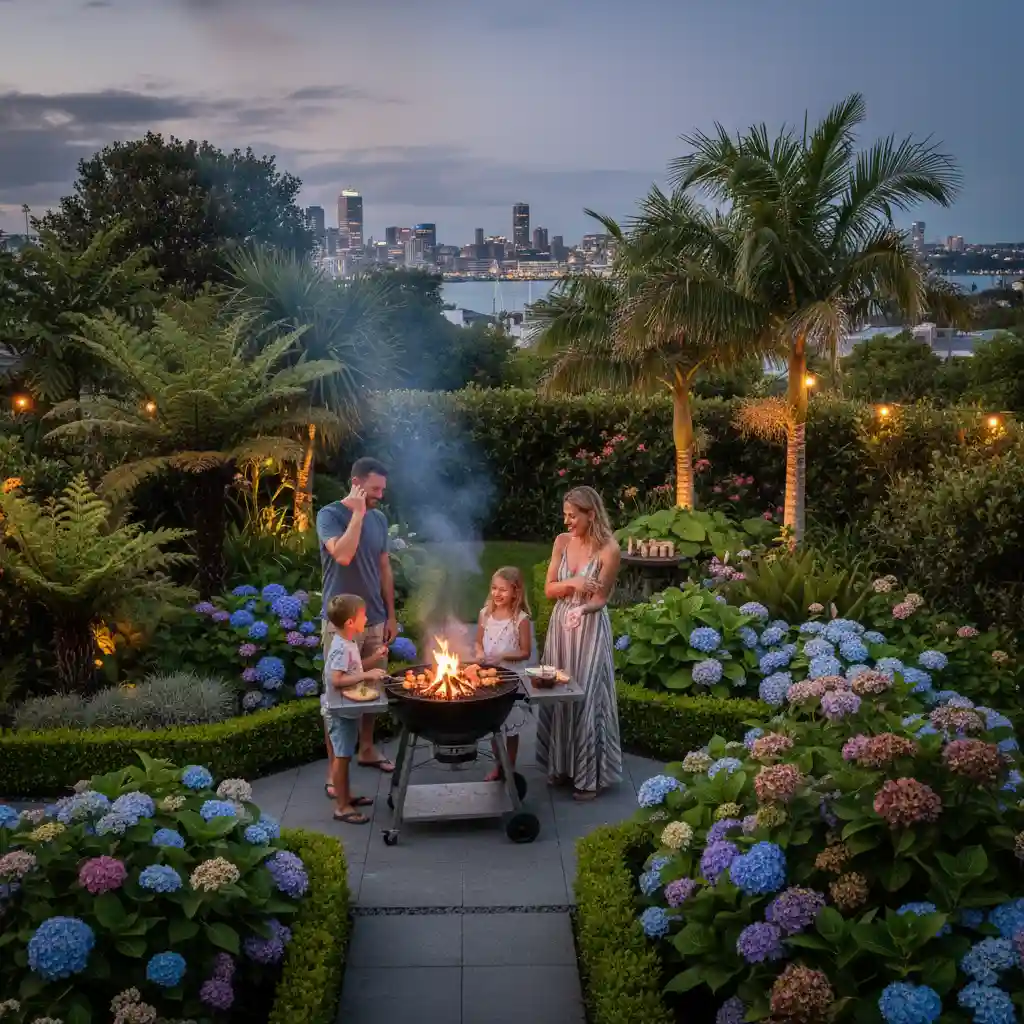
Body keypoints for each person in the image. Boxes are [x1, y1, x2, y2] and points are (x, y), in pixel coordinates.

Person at [317, 456, 398, 796]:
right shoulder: (330, 515)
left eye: (382, 488)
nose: (380, 495)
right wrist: (358, 514)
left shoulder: (379, 517)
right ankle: (335, 769)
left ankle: (366, 748)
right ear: (357, 483)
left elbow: (383, 567)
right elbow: (344, 555)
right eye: (375, 489)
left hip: (375, 617)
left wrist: (391, 613)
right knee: (338, 695)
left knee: (372, 687)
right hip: (340, 623)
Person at [536, 485, 622, 801]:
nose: (568, 521)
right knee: (558, 691)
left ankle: (588, 778)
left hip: (588, 626)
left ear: (591, 514)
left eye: (573, 516)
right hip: (561, 625)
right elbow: (548, 589)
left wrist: (583, 608)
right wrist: (573, 583)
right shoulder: (561, 542)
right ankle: (560, 766)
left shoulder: (609, 550)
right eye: (565, 515)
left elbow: (601, 598)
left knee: (587, 696)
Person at [323, 594, 389, 824]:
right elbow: (337, 680)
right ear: (351, 623)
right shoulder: (341, 647)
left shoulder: (348, 642)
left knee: (346, 756)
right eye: (363, 615)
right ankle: (341, 807)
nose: (367, 618)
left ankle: (346, 796)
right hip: (340, 714)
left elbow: (355, 668)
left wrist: (374, 659)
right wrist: (368, 675)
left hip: (348, 711)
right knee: (341, 759)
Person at [474, 566, 534, 781]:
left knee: (511, 727)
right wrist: (480, 653)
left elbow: (526, 652)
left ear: (516, 592)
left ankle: (509, 766)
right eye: (494, 588)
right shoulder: (485, 614)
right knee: (494, 725)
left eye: (503, 590)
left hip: (511, 679)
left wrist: (502, 656)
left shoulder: (520, 619)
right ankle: (499, 765)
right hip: (490, 679)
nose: (497, 594)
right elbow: (478, 642)